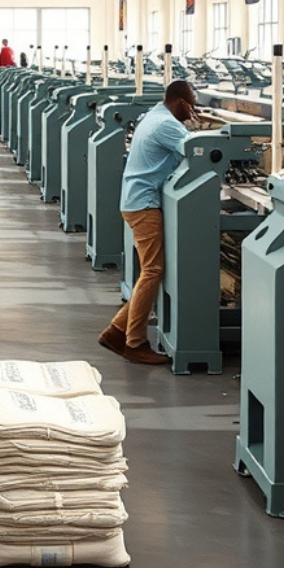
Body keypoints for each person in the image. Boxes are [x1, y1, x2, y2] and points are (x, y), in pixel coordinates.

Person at [98, 79, 198, 366]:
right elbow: (199, 151)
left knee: (150, 272)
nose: (192, 112)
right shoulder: (166, 125)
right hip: (143, 204)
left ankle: (116, 331)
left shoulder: (154, 115)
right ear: (180, 102)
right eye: (191, 105)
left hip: (136, 200)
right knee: (152, 271)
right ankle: (135, 343)